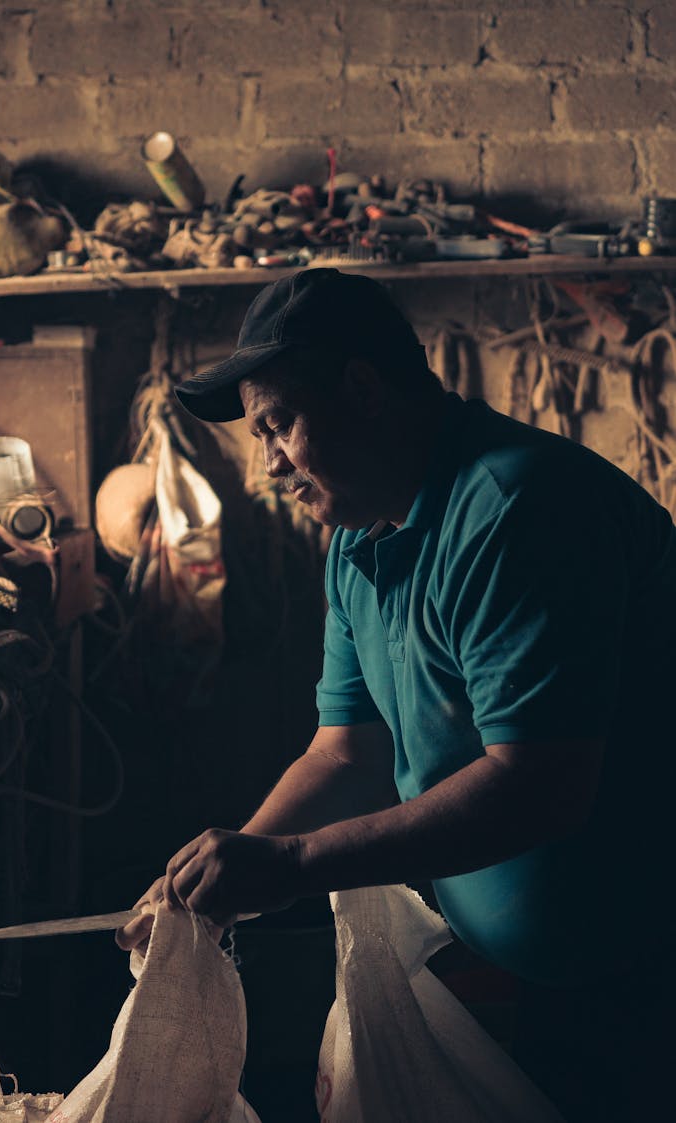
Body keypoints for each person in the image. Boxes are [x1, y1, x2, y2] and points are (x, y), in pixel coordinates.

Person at [117, 268, 676, 1122]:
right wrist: (224, 877)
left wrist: (294, 865)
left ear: (362, 388)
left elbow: (542, 784)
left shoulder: (515, 511)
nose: (269, 466)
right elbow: (348, 749)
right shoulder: (359, 540)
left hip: (638, 962)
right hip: (511, 965)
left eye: (278, 426)